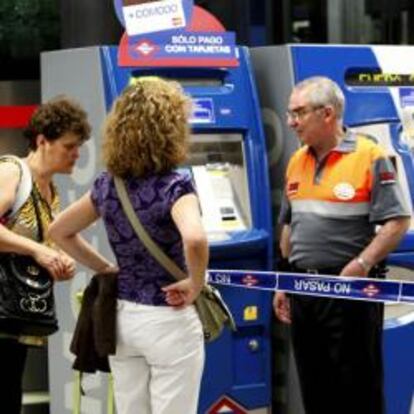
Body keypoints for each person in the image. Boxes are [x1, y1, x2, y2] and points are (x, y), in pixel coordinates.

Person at [48, 77, 208, 414]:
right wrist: (195, 283)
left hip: (122, 319)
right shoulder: (175, 186)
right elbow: (195, 238)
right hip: (169, 317)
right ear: (171, 129)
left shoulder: (108, 184)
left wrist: (105, 268)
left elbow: (60, 230)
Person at [273, 76, 410, 414]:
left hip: (352, 290)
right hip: (304, 289)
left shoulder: (369, 156)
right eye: (290, 114)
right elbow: (289, 225)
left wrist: (360, 266)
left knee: (357, 388)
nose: (291, 122)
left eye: (298, 113)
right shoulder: (296, 160)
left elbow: (397, 222)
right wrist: (283, 281)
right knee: (315, 384)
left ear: (328, 113)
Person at [0, 96, 91, 414]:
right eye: (69, 146)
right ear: (42, 141)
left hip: (13, 319)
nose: (76, 154)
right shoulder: (12, 172)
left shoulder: (49, 189)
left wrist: (56, 262)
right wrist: (39, 250)